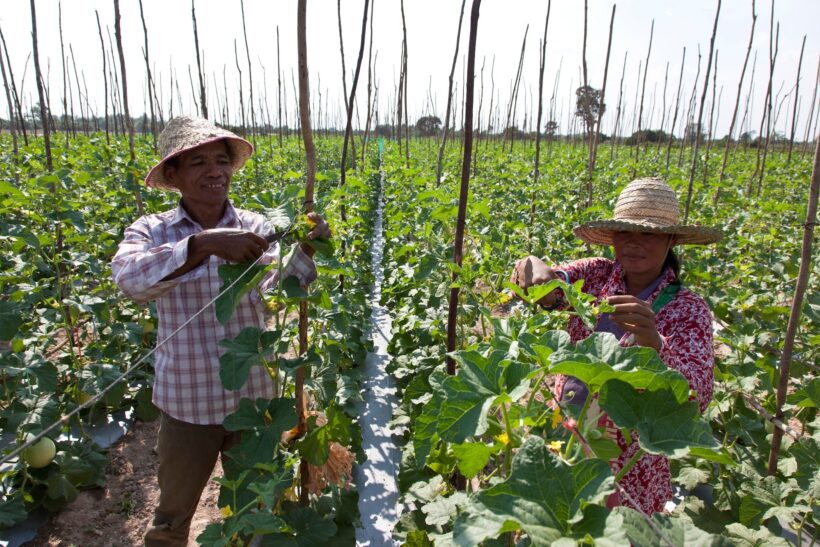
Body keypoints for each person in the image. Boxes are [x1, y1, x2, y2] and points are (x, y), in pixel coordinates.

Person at [111, 116, 331, 546]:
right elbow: (129, 280)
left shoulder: (258, 225)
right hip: (186, 403)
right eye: (198, 163)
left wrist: (306, 247)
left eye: (221, 160)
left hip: (250, 400)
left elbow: (278, 286)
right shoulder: (152, 230)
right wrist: (205, 244)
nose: (215, 171)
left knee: (253, 509)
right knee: (172, 515)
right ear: (172, 175)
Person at [510, 177, 721, 515]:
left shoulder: (688, 308)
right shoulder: (594, 275)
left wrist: (656, 347)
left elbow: (699, 396)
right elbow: (548, 281)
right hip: (567, 431)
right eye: (625, 232)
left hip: (630, 462)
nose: (635, 243)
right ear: (612, 237)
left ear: (671, 240)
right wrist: (533, 268)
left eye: (649, 234)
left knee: (611, 531)